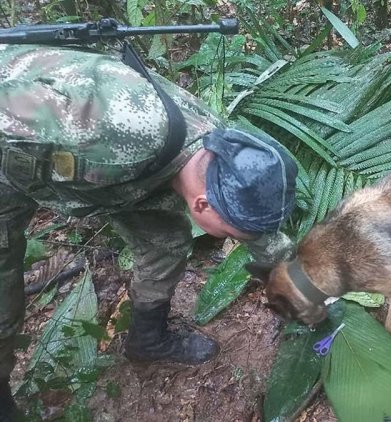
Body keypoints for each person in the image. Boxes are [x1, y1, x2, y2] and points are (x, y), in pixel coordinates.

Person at [0, 43, 297, 420]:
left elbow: (259, 228)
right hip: (12, 148)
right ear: (202, 205)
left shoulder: (222, 152)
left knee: (167, 242)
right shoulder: (115, 137)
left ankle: (147, 339)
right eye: (232, 235)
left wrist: (296, 279)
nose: (233, 240)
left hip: (106, 173)